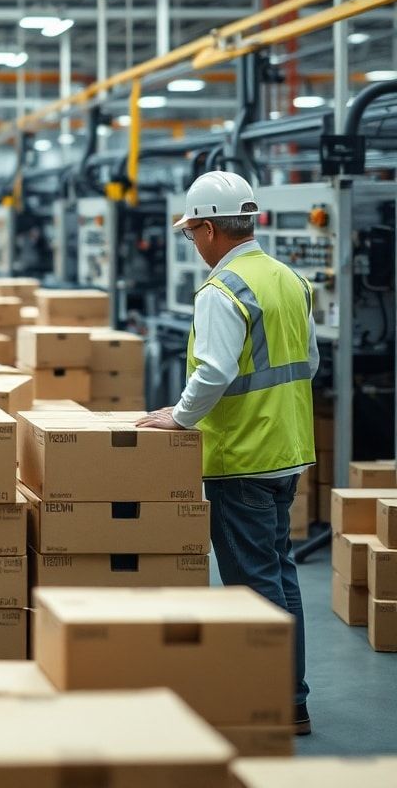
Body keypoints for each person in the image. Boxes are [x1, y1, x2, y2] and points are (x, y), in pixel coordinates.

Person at [136, 170, 317, 736]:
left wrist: (180, 416)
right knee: (280, 575)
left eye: (193, 233)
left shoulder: (223, 290)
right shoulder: (289, 279)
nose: (193, 243)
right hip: (287, 449)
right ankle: (291, 697)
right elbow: (309, 362)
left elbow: (213, 370)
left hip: (241, 456)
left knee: (252, 583)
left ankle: (269, 702)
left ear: (211, 228)